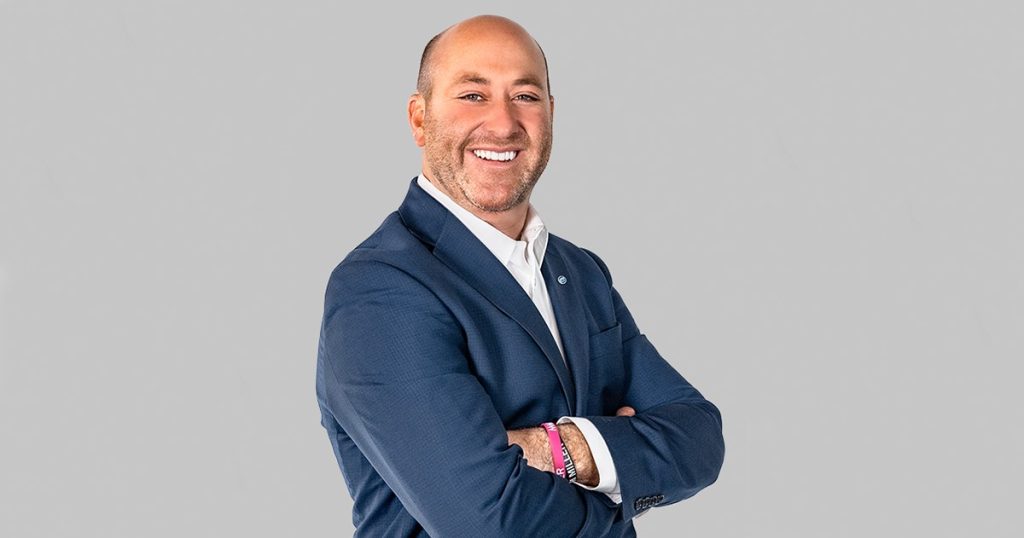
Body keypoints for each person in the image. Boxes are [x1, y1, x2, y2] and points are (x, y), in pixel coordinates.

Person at [316, 15, 724, 537]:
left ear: (551, 114)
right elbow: (490, 522)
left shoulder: (581, 273)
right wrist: (621, 474)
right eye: (473, 95)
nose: (504, 123)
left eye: (525, 96)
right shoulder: (379, 290)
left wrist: (562, 449)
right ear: (420, 119)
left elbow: (700, 438)